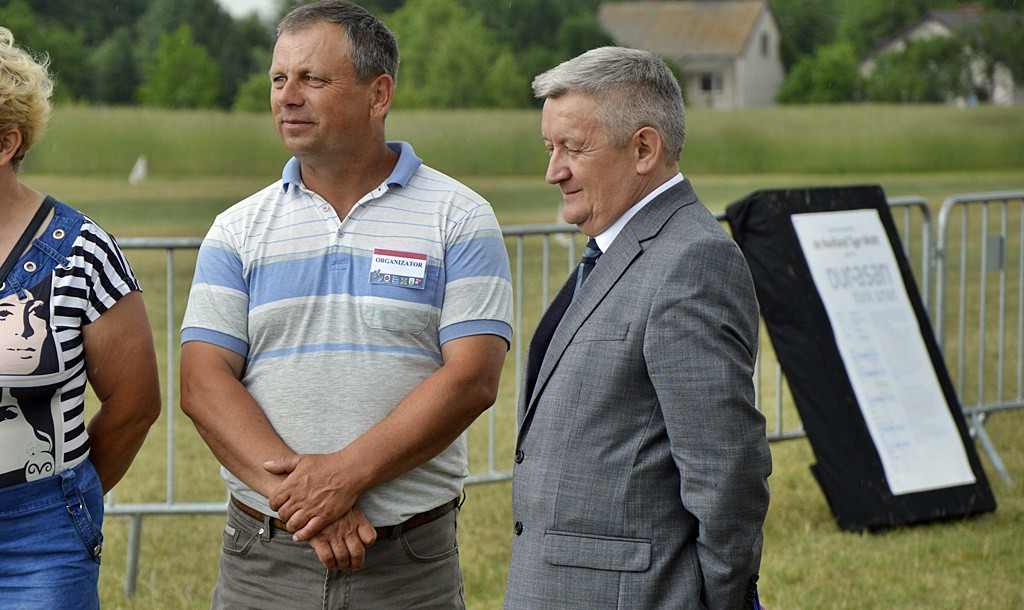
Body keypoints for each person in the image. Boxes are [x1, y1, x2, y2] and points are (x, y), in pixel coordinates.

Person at [179, 2, 513, 608]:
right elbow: (203, 383)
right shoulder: (236, 229)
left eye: (313, 79)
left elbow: (472, 378)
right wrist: (312, 503)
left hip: (408, 564)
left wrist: (344, 476)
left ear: (378, 94)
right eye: (279, 79)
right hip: (263, 559)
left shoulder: (461, 218)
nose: (288, 96)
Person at [503, 46, 772, 609]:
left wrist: (715, 599)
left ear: (644, 147)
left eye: (572, 148)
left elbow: (726, 474)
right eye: (550, 148)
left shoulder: (691, 261)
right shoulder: (619, 250)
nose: (553, 171)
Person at [0, 26, 161, 608]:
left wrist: (73, 494)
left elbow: (136, 404)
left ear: (6, 143)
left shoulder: (81, 250)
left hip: (36, 539)